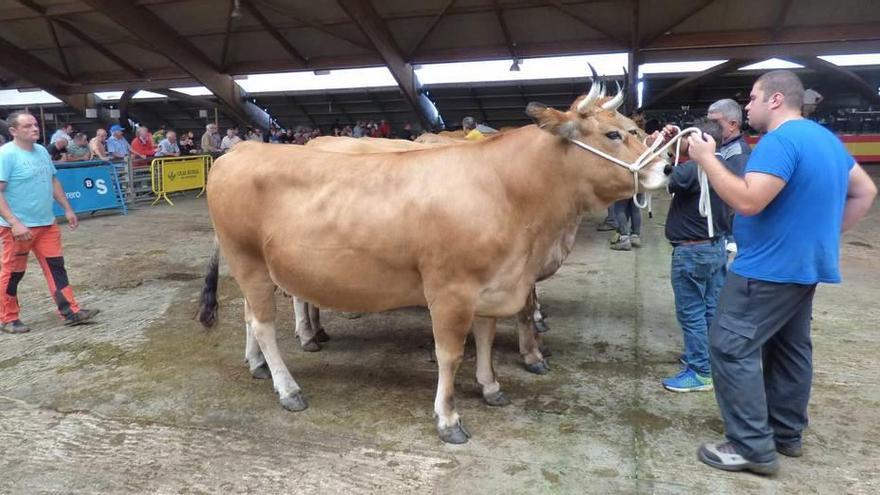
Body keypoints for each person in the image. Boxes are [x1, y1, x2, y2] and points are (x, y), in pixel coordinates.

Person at [686, 70, 876, 475]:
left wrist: (706, 159)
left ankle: (751, 446)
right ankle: (786, 433)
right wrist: (820, 237)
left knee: (730, 347)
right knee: (790, 350)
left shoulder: (779, 141)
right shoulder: (826, 140)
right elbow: (865, 191)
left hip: (767, 270)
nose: (748, 105)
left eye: (752, 98)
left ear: (775, 100)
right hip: (803, 268)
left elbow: (749, 201)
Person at [0, 111, 99, 334]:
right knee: (13, 273)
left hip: (46, 224)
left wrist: (67, 208)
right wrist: (14, 222)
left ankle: (70, 311)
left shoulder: (42, 151)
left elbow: (53, 180)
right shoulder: (5, 155)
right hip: (17, 229)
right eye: (27, 126)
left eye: (35, 124)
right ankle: (8, 318)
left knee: (56, 269)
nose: (35, 128)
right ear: (13, 131)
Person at [659, 118, 733, 393]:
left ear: (697, 141)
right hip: (715, 247)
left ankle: (700, 371)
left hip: (692, 252)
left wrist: (662, 150)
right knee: (710, 309)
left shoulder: (693, 169)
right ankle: (710, 361)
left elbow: (663, 178)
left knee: (690, 312)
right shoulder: (721, 165)